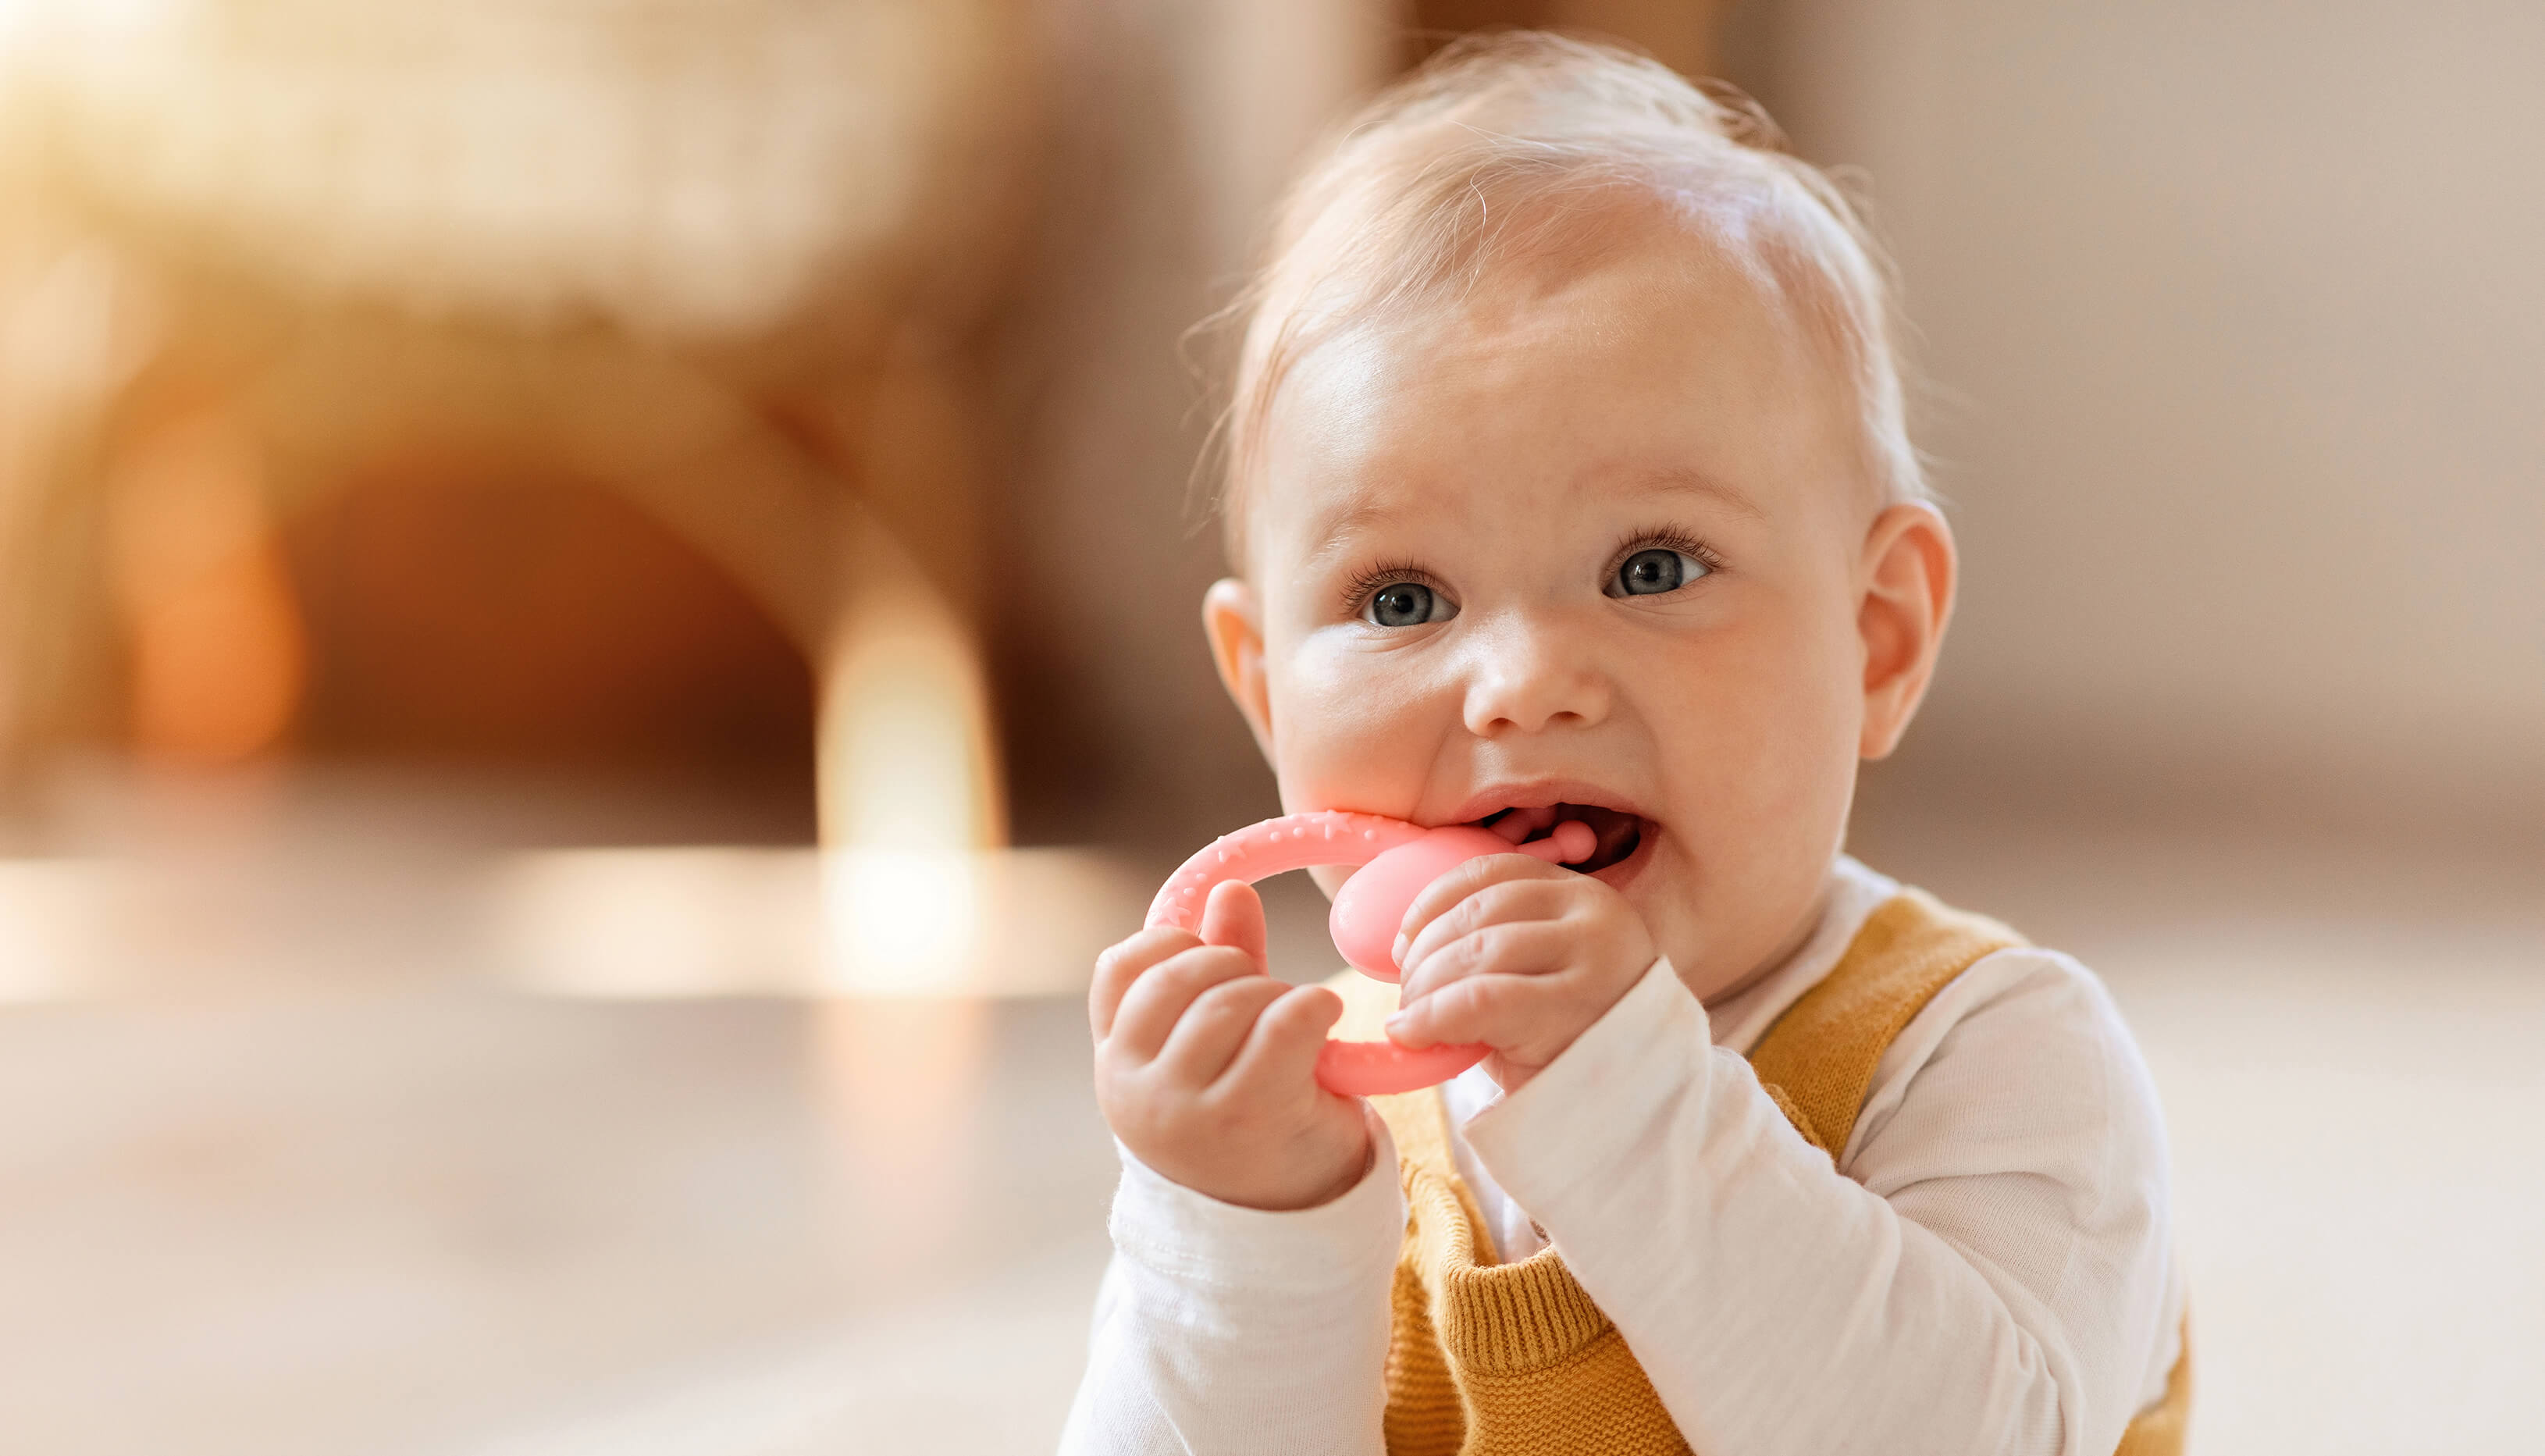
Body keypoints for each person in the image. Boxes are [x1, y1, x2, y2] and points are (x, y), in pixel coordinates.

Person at [1062, 33, 2187, 1456]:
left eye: (1652, 567)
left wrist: (1622, 1091)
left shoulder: (1995, 1057)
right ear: (1270, 694)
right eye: (1400, 599)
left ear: (1877, 638)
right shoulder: (1324, 1104)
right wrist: (1239, 1228)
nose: (1522, 686)